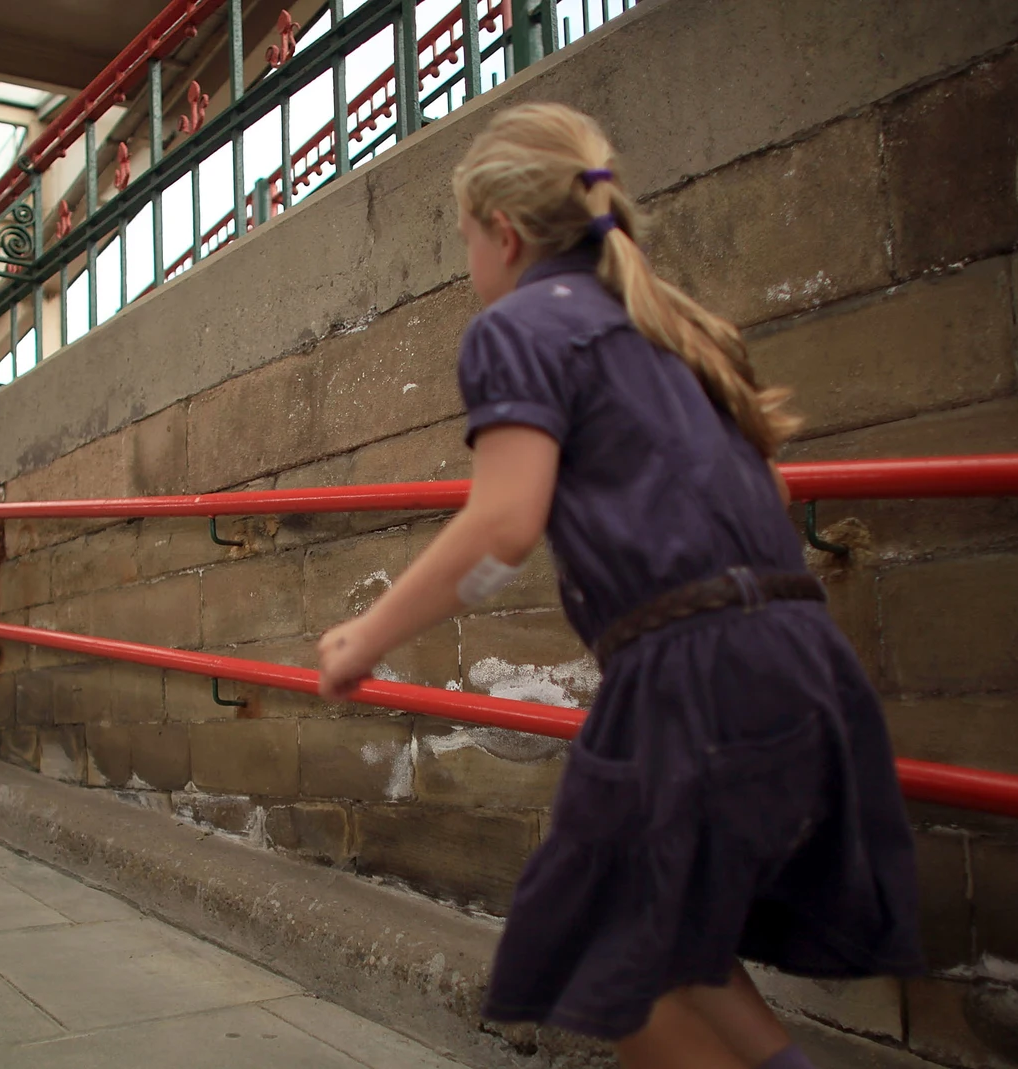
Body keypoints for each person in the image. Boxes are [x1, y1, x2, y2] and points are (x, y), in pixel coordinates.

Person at [316, 102, 922, 1069]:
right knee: (671, 937)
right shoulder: (677, 330)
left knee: (599, 954)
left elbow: (506, 524)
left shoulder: (513, 327)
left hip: (694, 672)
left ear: (502, 232)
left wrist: (369, 635)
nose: (468, 260)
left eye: (464, 238)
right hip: (806, 664)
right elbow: (770, 487)